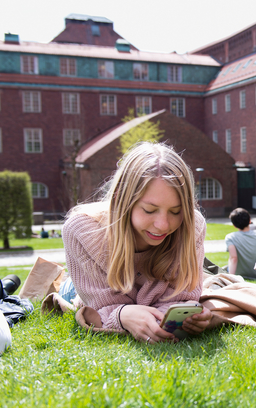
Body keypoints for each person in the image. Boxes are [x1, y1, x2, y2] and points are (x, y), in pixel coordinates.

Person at [62, 142, 212, 343]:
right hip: (81, 284)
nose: (162, 225)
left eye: (176, 211)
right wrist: (122, 315)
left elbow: (182, 298)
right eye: (149, 210)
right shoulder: (81, 231)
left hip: (131, 291)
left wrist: (186, 316)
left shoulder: (192, 227)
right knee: (65, 287)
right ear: (122, 201)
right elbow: (100, 306)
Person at [225, 207, 256, 280]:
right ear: (249, 220)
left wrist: (230, 278)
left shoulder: (231, 237)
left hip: (239, 274)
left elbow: (233, 258)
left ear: (234, 225)